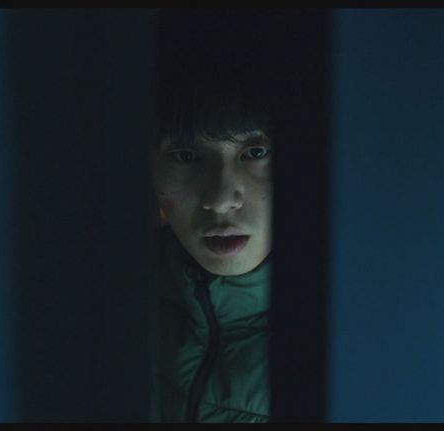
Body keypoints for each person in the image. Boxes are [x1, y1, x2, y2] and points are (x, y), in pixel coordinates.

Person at [150, 9, 276, 423]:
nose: (221, 199)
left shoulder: (355, 332)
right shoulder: (101, 301)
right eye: (187, 156)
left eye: (255, 152)